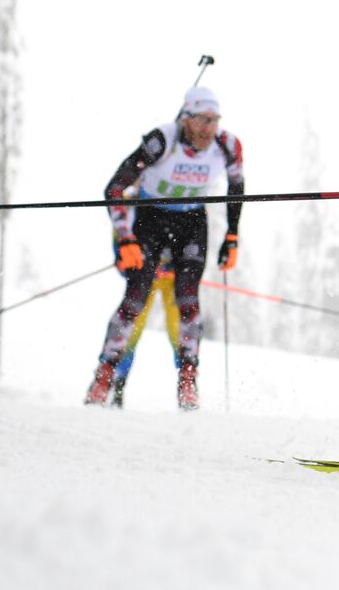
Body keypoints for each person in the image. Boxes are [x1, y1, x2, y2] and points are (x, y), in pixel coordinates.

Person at [84, 86, 245, 410]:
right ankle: (105, 375)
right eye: (201, 119)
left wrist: (232, 236)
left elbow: (237, 188)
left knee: (188, 299)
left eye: (214, 120)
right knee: (136, 298)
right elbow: (114, 187)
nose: (207, 128)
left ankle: (188, 380)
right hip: (151, 220)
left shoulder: (227, 145)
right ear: (185, 118)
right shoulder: (162, 141)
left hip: (192, 224)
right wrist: (125, 238)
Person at [108, 247, 184, 408]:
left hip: (172, 277)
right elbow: (122, 232)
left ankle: (187, 383)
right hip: (146, 271)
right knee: (132, 328)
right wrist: (121, 256)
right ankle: (118, 385)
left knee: (178, 330)